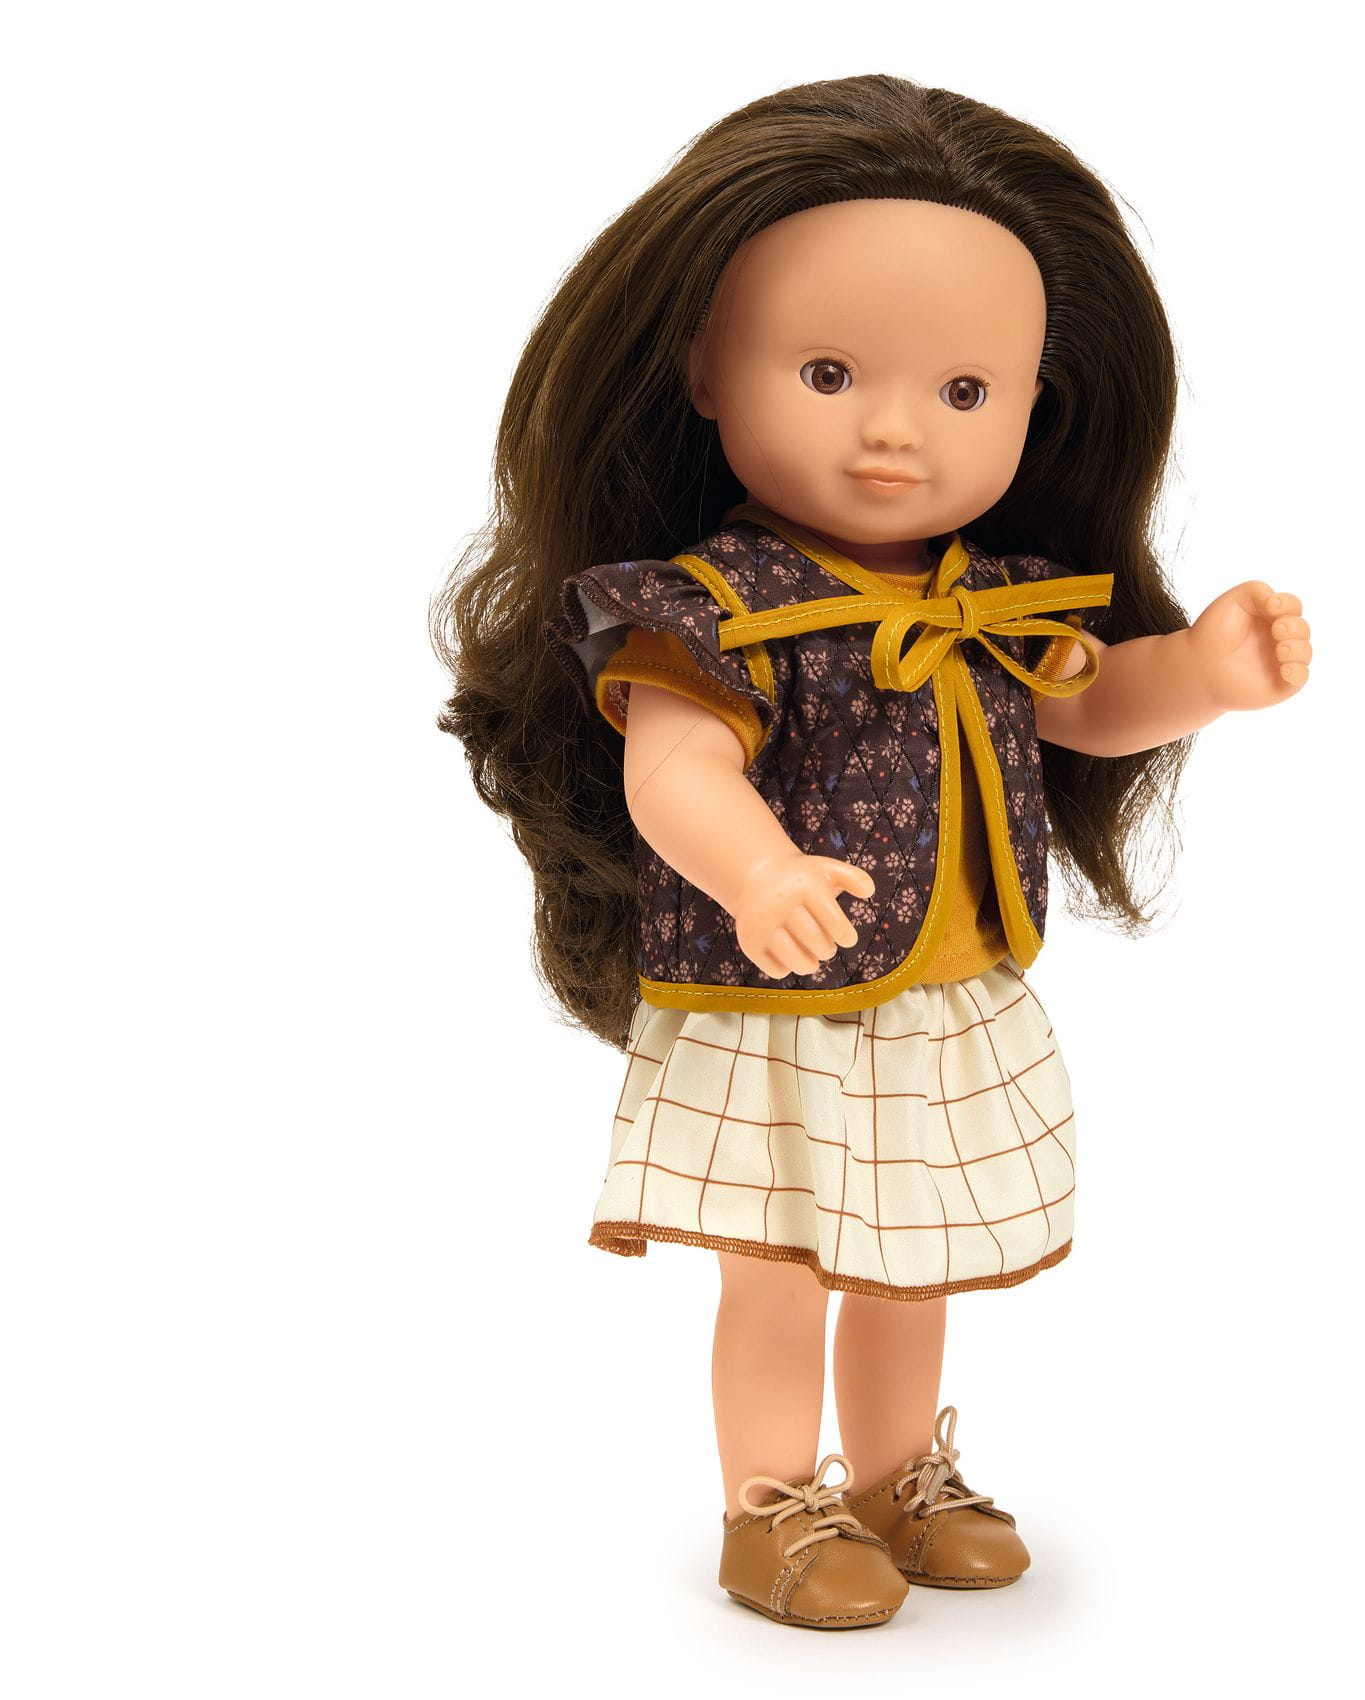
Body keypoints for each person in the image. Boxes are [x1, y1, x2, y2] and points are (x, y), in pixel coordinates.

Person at [434, 73, 1312, 1630]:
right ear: (705, 367)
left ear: (1037, 406)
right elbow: (676, 763)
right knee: (777, 1268)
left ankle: (901, 1476)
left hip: (941, 995)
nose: (897, 430)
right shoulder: (707, 605)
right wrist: (754, 870)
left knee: (918, 1266)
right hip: (775, 1006)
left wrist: (1205, 674)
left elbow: (1086, 704)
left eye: (966, 391)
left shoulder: (994, 594)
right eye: (830, 372)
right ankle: (770, 1507)